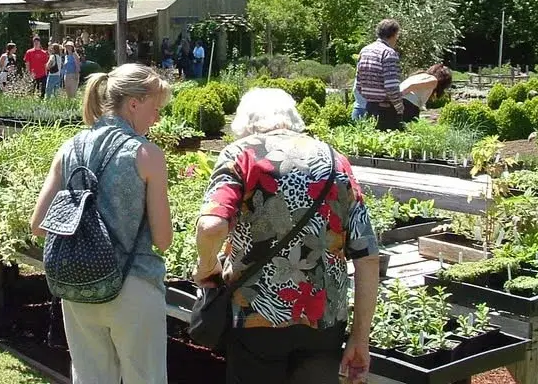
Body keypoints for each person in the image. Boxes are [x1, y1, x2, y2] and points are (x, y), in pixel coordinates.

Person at [194, 88, 380, 384]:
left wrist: (207, 268)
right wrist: (360, 338)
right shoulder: (335, 161)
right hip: (323, 321)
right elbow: (368, 257)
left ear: (247, 125)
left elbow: (211, 226)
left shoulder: (242, 155)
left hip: (257, 317)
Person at [30, 64, 173, 384]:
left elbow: (39, 224)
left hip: (78, 287)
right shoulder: (147, 154)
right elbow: (163, 239)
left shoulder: (69, 148)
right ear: (134, 104)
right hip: (133, 285)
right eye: (155, 107)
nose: (157, 118)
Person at [355, 19, 404, 131]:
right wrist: (400, 107)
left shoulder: (365, 50)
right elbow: (391, 87)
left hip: (369, 107)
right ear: (394, 35)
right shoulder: (389, 53)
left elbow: (358, 83)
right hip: (386, 110)